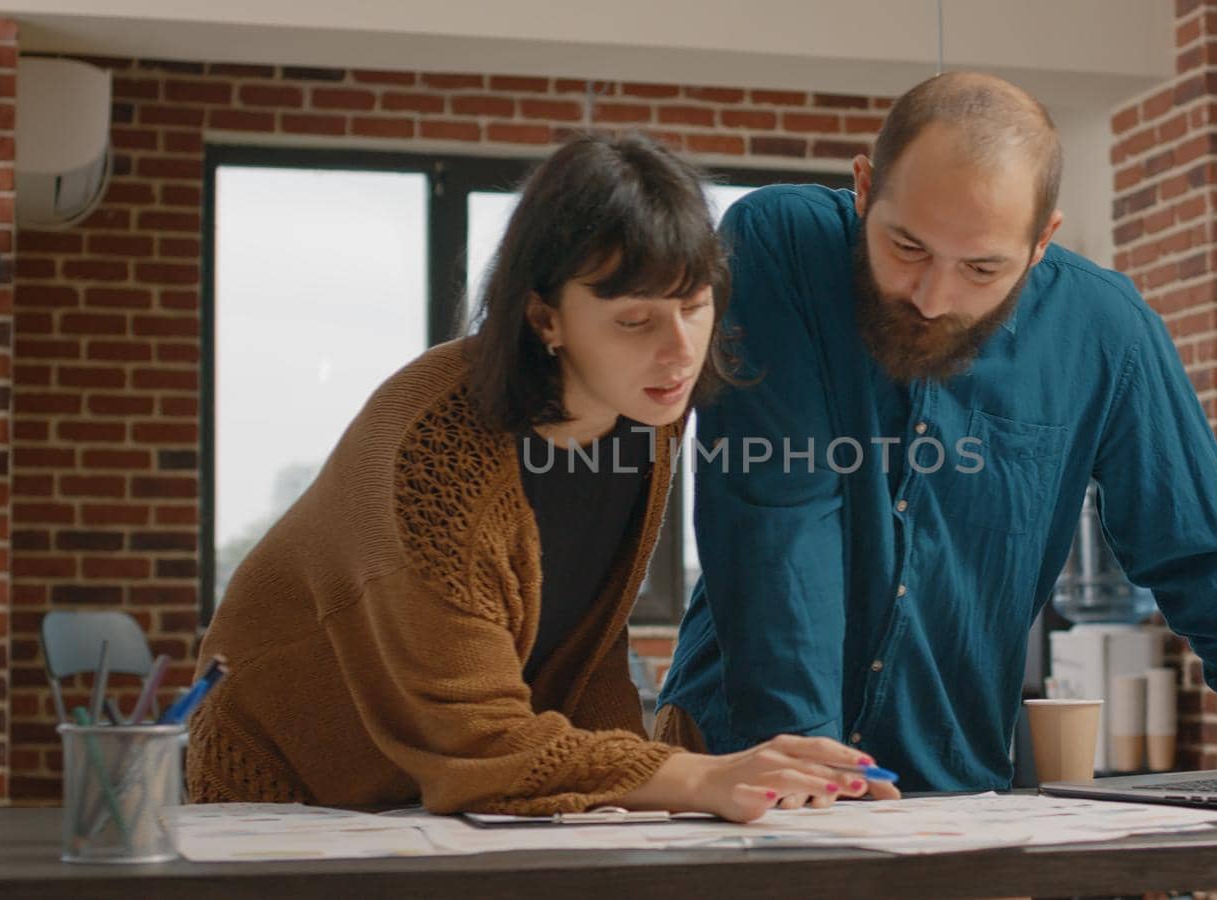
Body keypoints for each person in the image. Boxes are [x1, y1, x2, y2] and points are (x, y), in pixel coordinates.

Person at [187, 133, 900, 820]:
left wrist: (645, 791)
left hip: (439, 796)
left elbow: (585, 662)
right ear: (545, 317)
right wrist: (700, 776)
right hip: (291, 781)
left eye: (694, 306)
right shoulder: (435, 450)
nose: (679, 351)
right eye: (634, 321)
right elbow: (476, 741)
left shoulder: (646, 412)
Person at [657, 73, 1217, 795]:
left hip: (953, 785)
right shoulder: (784, 245)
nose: (934, 298)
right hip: (739, 763)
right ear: (865, 188)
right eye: (906, 247)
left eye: (981, 268)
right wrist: (813, 766)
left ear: (1040, 243)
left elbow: (1203, 553)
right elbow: (781, 520)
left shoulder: (1106, 332)